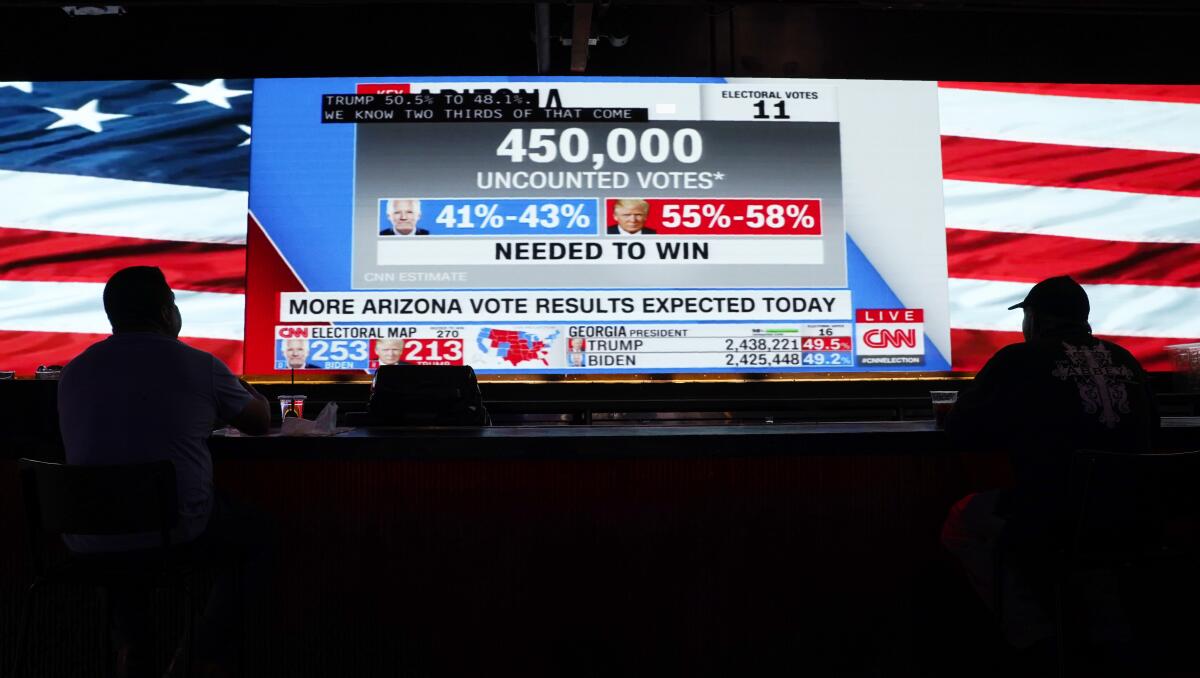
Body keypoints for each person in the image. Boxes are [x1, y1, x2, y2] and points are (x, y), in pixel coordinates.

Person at [58, 266, 273, 678]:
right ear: (164, 312)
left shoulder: (74, 372)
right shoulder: (199, 365)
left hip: (87, 536)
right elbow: (258, 422)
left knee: (121, 533)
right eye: (174, 304)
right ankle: (194, 656)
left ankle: (132, 651)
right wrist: (248, 391)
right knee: (257, 534)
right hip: (175, 532)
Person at [940, 276, 1158, 662]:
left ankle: (1033, 638)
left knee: (962, 521)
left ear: (1035, 320)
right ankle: (1108, 637)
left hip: (1049, 520)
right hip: (1136, 518)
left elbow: (962, 428)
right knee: (1096, 540)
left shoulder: (1017, 360)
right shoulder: (1126, 359)